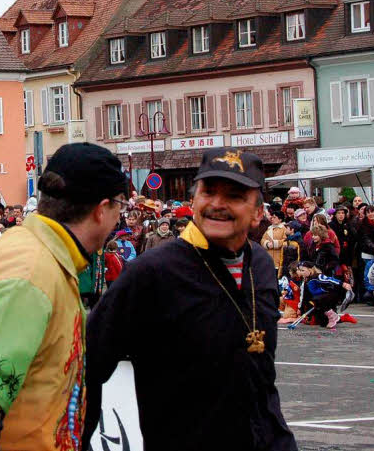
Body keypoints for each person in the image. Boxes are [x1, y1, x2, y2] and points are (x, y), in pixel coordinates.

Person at [84, 148, 296, 451]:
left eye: (234, 195)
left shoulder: (260, 263)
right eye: (208, 192)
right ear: (194, 201)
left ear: (258, 212)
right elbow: (88, 365)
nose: (217, 205)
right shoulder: (152, 272)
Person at [0, 143, 129, 451]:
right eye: (120, 207)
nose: (119, 219)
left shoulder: (40, 256)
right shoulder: (30, 272)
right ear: (102, 209)